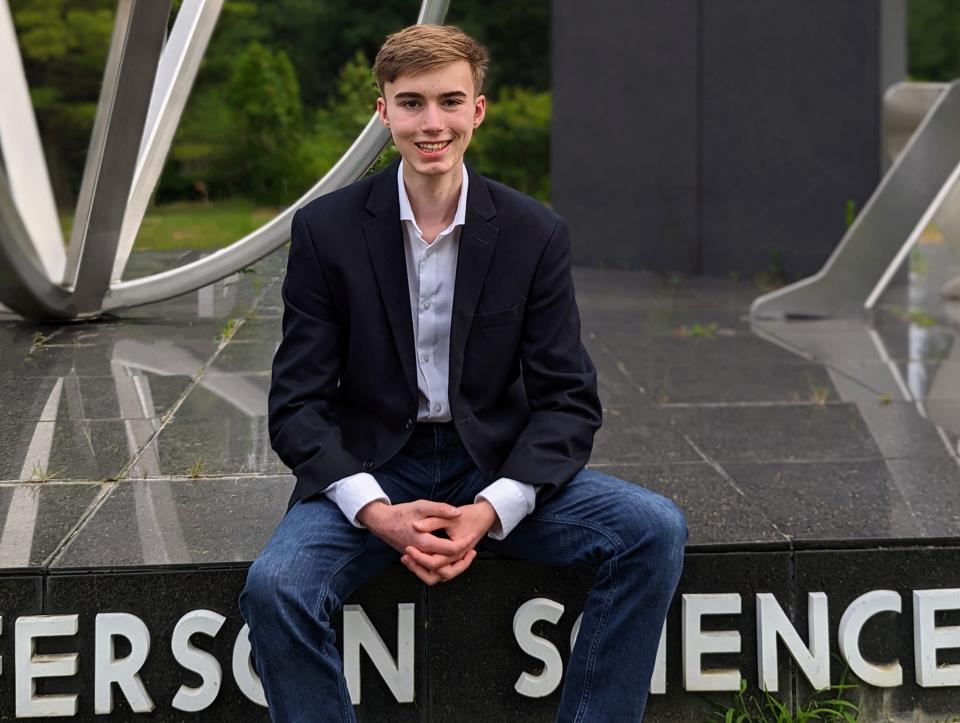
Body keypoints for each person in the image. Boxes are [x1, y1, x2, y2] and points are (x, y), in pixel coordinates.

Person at [239, 23, 686, 722]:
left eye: (450, 101)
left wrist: (490, 509)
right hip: (374, 467)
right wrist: (377, 513)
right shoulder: (326, 231)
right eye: (411, 103)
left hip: (492, 462)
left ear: (478, 109)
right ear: (382, 112)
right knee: (275, 587)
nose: (432, 122)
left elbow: (568, 401)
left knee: (653, 528)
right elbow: (296, 404)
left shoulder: (534, 232)